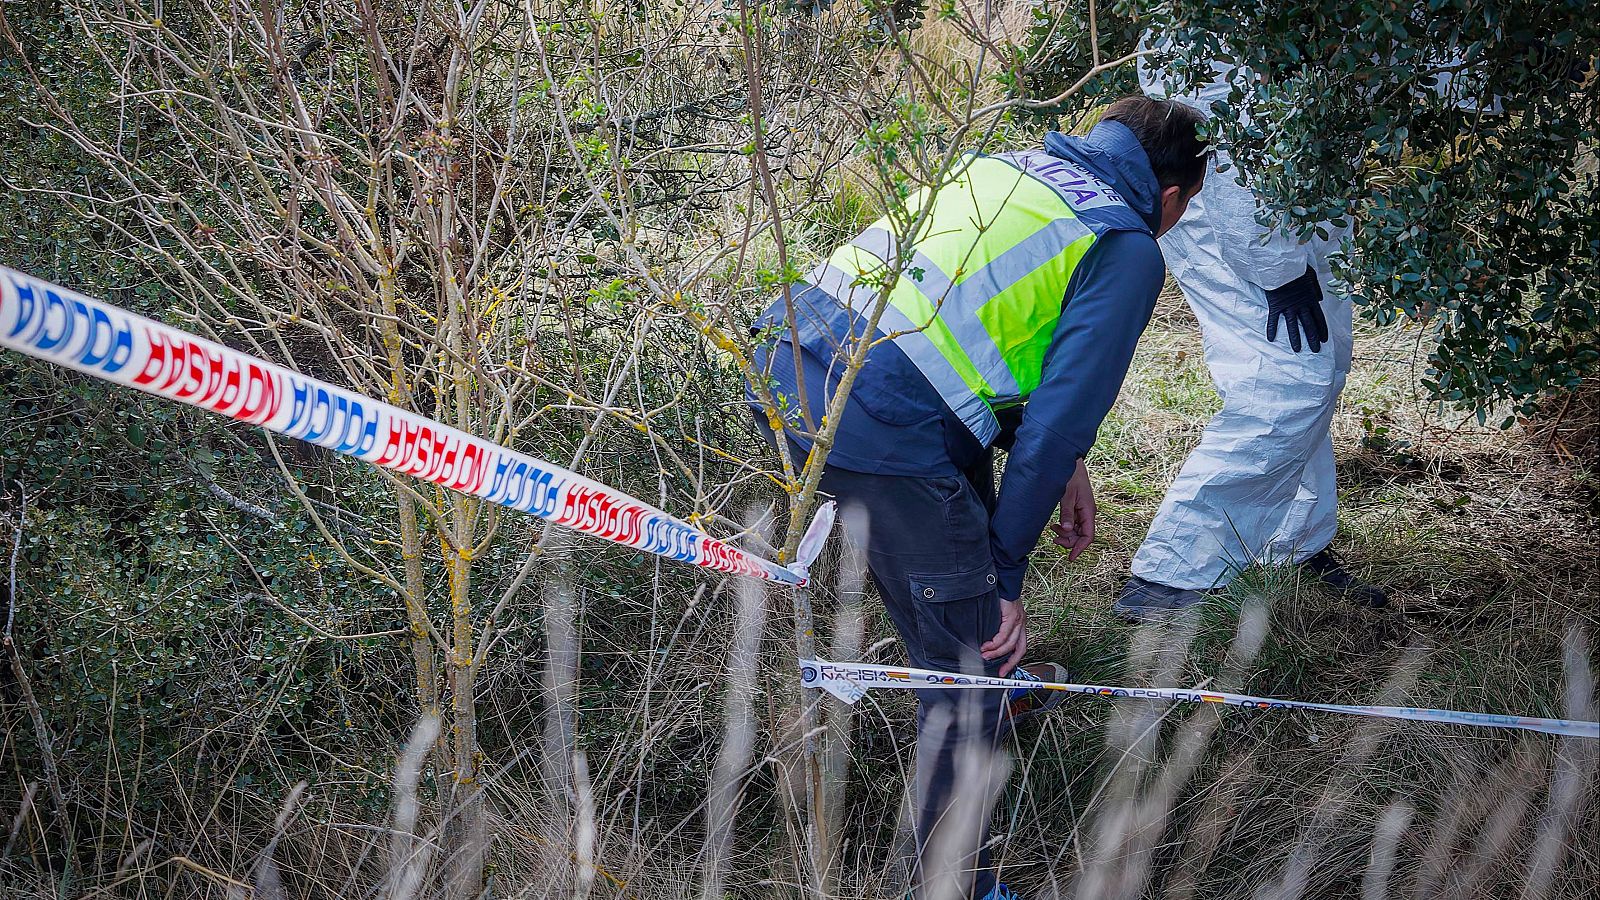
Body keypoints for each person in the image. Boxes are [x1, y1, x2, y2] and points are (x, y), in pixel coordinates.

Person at [748, 96, 1209, 900]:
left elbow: (962, 331)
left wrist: (1050, 456)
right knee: (972, 668)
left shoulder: (1012, 166)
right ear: (1172, 199)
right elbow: (1053, 433)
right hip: (882, 418)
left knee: (957, 591)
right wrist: (999, 582)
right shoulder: (1128, 246)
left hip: (792, 359)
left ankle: (972, 665)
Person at [1114, 50, 1390, 619]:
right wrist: (1276, 269)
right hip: (1233, 220)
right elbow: (1229, 127)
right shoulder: (1228, 28)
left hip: (1297, 205)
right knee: (1287, 386)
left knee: (1321, 374)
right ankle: (1172, 573)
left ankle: (1291, 540)